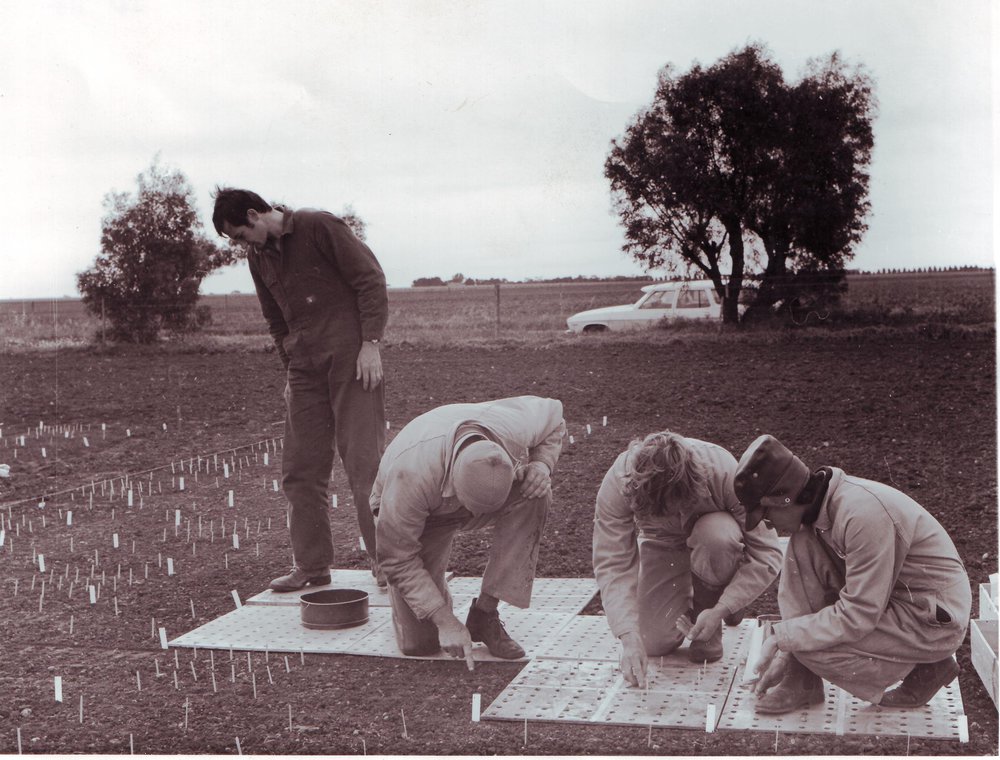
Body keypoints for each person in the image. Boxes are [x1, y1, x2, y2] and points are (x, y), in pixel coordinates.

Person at [212, 188, 388, 592]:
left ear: (255, 215)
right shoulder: (258, 259)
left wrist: (371, 344)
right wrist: (290, 373)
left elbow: (370, 280)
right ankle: (312, 566)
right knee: (299, 470)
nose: (241, 246)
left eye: (239, 235)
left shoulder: (317, 225)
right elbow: (276, 321)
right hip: (304, 371)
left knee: (365, 466)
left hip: (351, 362)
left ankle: (387, 563)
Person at [737, 434, 971, 714]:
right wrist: (789, 648)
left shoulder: (863, 515)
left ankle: (925, 667)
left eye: (766, 515)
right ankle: (802, 680)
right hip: (895, 600)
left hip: (930, 618)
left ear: (784, 499)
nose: (770, 524)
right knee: (801, 550)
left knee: (811, 646)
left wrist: (783, 639)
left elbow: (858, 614)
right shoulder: (823, 511)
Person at [371, 395, 565, 665]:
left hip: (457, 489)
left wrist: (542, 466)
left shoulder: (515, 428)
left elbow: (555, 416)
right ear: (453, 484)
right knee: (420, 643)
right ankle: (431, 608)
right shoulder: (411, 476)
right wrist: (444, 619)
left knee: (535, 494)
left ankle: (485, 614)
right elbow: (397, 557)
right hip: (420, 515)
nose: (475, 517)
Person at [593, 431, 783, 688]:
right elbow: (613, 562)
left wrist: (722, 607)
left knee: (716, 535)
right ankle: (707, 598)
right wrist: (627, 636)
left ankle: (721, 603)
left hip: (713, 540)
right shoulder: (620, 481)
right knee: (652, 642)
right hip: (663, 543)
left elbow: (767, 552)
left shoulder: (726, 472)